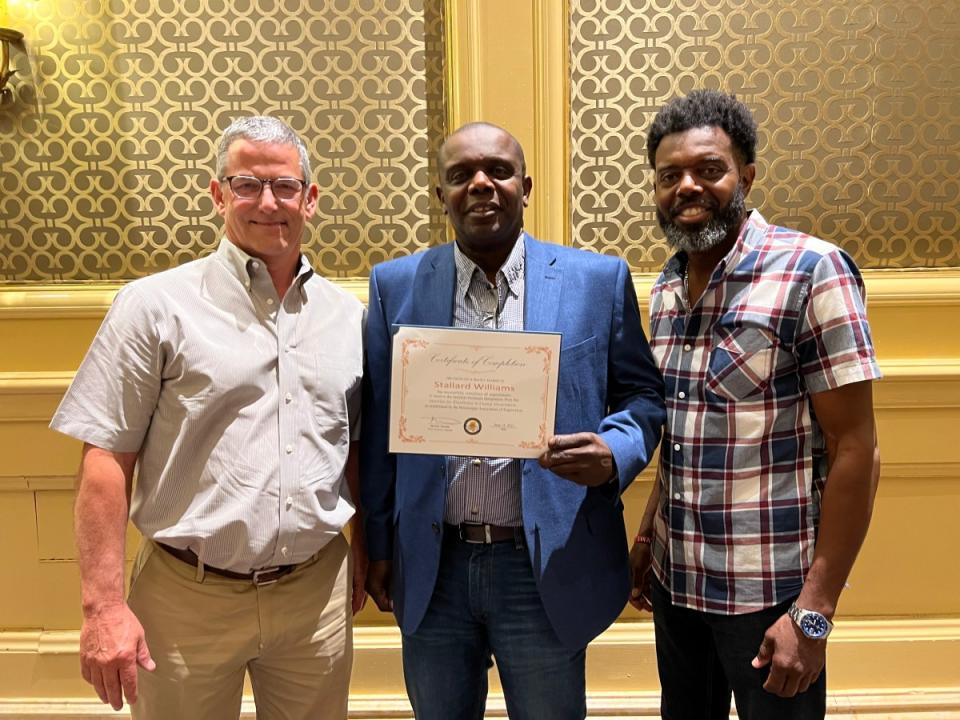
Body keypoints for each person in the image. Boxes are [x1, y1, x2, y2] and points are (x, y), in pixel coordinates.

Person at [49, 116, 367, 720]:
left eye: (285, 186)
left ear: (312, 199)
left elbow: (355, 452)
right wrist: (103, 609)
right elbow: (105, 462)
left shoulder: (347, 317)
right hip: (183, 599)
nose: (267, 202)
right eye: (246, 184)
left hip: (313, 596)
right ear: (218, 194)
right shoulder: (154, 306)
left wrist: (365, 552)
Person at [360, 121, 665, 719]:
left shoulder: (595, 281)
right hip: (433, 564)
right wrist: (377, 544)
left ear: (526, 187)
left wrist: (613, 453)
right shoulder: (394, 285)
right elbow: (377, 429)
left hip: (543, 565)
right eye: (460, 175)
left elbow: (643, 397)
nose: (480, 184)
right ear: (441, 193)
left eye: (497, 171)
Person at [629, 89, 882, 720]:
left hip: (771, 595)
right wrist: (647, 535)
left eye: (708, 170)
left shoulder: (812, 270)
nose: (687, 186)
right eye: (669, 176)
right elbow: (686, 431)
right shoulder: (663, 288)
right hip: (678, 583)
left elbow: (858, 451)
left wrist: (815, 615)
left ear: (746, 174)